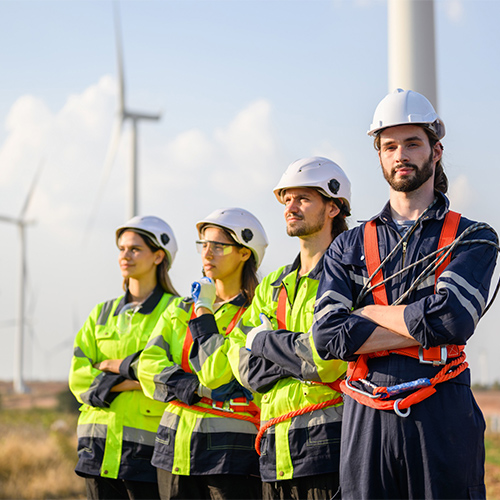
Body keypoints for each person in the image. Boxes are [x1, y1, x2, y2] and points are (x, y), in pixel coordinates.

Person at [312, 88, 499, 499]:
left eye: (413, 143)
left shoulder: (473, 238)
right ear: (379, 155)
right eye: (390, 145)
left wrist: (368, 315)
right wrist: (422, 324)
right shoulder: (349, 245)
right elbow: (326, 338)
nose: (401, 154)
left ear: (436, 151)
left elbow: (453, 319)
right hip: (366, 418)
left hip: (442, 412)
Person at [190, 157, 351, 500]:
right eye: (287, 199)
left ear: (334, 207)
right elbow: (242, 366)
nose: (290, 207)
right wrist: (292, 356)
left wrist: (262, 341)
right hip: (275, 452)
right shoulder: (273, 285)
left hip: (330, 446)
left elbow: (327, 361)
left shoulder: (352, 276)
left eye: (303, 198)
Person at [137, 207, 279, 500]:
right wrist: (190, 386)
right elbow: (148, 366)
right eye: (204, 244)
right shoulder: (179, 309)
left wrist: (203, 311)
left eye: (219, 246)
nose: (207, 253)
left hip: (231, 452)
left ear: (244, 253)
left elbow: (220, 374)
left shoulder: (257, 312)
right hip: (173, 449)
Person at [68, 215, 179, 500]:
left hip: (148, 451)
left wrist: (107, 371)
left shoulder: (176, 311)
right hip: (97, 448)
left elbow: (174, 375)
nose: (125, 256)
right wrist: (133, 378)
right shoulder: (100, 313)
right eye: (121, 249)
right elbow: (79, 378)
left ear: (158, 256)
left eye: (134, 249)